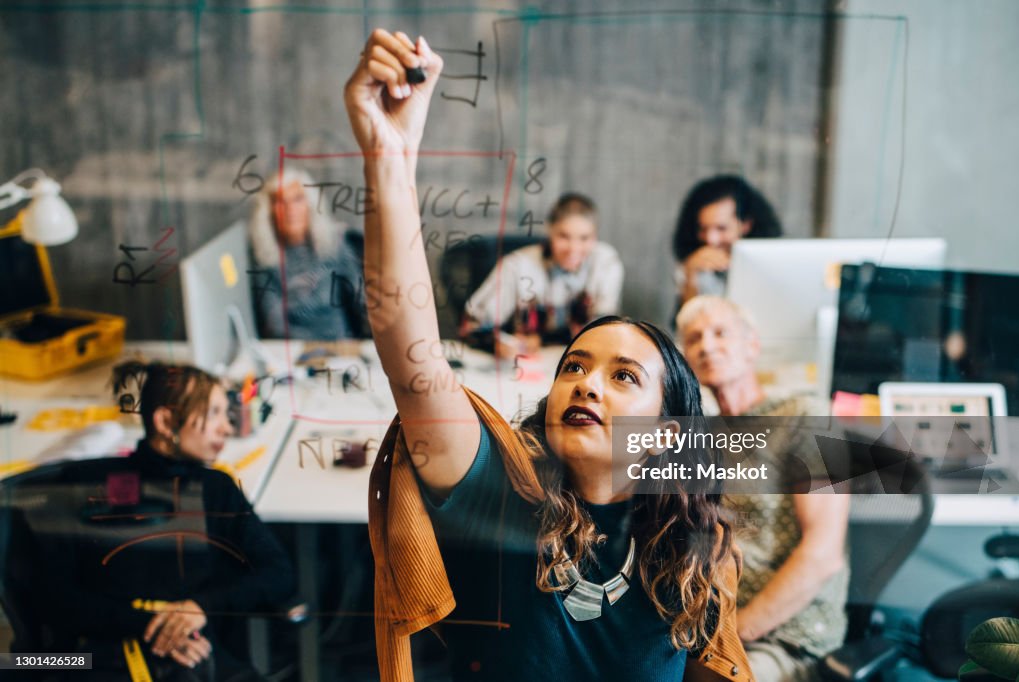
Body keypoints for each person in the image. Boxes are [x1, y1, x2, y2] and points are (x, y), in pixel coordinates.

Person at [345, 29, 751, 682]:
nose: (587, 384)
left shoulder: (694, 554)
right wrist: (389, 155)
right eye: (575, 367)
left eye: (623, 377)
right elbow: (411, 357)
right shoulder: (499, 500)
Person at [35, 361, 295, 681]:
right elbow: (54, 598)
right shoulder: (95, 488)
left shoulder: (216, 490)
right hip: (97, 658)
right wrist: (152, 627)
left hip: (196, 656)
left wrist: (198, 609)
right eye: (213, 414)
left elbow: (279, 574)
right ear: (166, 421)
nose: (226, 428)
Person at [677, 296, 849, 682]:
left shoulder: (804, 417)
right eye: (694, 338)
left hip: (784, 633)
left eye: (720, 333)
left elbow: (823, 554)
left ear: (752, 345)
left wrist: (733, 635)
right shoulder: (698, 435)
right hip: (704, 626)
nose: (706, 345)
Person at [460, 192, 624, 359]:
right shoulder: (517, 266)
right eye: (564, 236)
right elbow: (471, 326)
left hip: (575, 362)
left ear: (595, 237)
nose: (573, 248)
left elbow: (604, 330)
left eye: (584, 238)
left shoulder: (605, 263)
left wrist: (543, 340)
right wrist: (496, 345)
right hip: (521, 365)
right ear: (550, 231)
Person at [248, 166, 366, 340]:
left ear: (310, 205)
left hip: (343, 347)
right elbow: (274, 326)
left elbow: (362, 303)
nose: (290, 209)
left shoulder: (335, 244)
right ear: (269, 211)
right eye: (281, 202)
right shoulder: (264, 258)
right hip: (293, 351)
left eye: (298, 199)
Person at [672, 175, 783, 303]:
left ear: (746, 224)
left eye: (721, 228)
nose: (711, 239)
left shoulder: (771, 265)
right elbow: (688, 320)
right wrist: (690, 277)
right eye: (703, 228)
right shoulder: (692, 264)